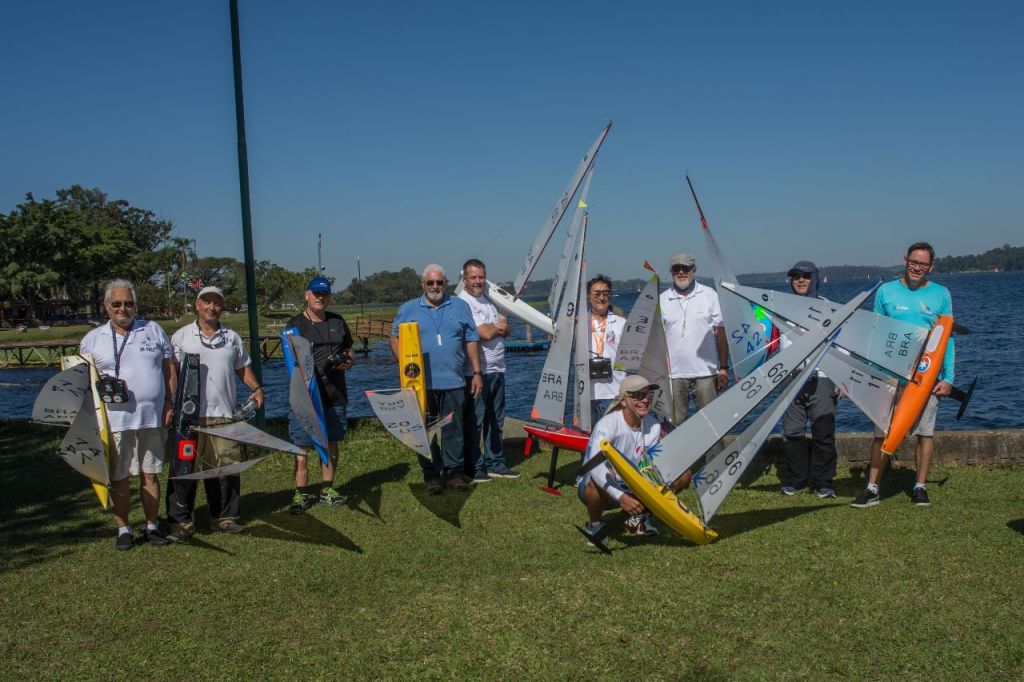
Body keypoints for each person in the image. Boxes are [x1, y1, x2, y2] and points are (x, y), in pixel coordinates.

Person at [852, 242, 954, 508]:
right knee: (881, 432)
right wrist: (871, 371)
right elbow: (876, 331)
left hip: (925, 377)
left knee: (925, 433)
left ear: (931, 266)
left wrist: (949, 377)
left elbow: (948, 337)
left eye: (923, 264)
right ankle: (872, 488)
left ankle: (920, 486)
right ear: (905, 260)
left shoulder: (942, 294)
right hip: (888, 375)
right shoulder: (886, 292)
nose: (917, 267)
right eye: (913, 261)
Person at [79, 279, 175, 551]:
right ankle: (123, 529)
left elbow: (169, 368)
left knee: (150, 473)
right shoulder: (92, 339)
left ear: (135, 306)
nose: (123, 308)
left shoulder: (153, 329)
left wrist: (169, 402)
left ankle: (152, 526)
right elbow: (81, 380)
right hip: (114, 421)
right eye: (117, 304)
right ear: (106, 307)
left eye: (129, 303)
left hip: (152, 417)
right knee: (120, 477)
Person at [166, 286, 264, 539]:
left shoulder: (232, 337)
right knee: (184, 468)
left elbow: (242, 368)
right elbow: (172, 372)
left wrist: (256, 388)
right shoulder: (181, 336)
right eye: (207, 302)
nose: (212, 307)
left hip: (223, 413)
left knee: (224, 467)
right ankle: (181, 522)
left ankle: (224, 518)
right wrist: (171, 403)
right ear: (197, 305)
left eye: (217, 303)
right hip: (188, 415)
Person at [391, 264, 482, 495]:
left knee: (454, 430)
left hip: (454, 381)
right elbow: (394, 337)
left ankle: (454, 474)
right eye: (430, 282)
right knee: (425, 431)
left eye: (439, 282)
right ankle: (431, 475)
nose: (435, 286)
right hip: (420, 385)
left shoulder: (460, 306)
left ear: (445, 283)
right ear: (422, 284)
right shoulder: (408, 309)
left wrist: (477, 373)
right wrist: (404, 366)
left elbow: (471, 339)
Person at [286, 276, 355, 514]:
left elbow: (349, 349)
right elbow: (290, 359)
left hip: (335, 394)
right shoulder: (295, 325)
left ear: (329, 297)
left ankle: (327, 490)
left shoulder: (337, 321)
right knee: (301, 446)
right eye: (316, 293)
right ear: (307, 295)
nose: (320, 297)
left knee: (331, 442)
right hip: (305, 396)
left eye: (324, 294)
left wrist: (348, 361)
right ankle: (301, 494)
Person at [578, 375, 664, 542]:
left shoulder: (654, 425)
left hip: (633, 481)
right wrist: (621, 497)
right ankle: (595, 524)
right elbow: (595, 468)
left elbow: (652, 462)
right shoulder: (607, 424)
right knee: (602, 474)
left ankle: (639, 518)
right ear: (624, 401)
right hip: (599, 485)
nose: (646, 400)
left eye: (648, 395)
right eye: (638, 396)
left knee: (683, 476)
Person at [778, 261, 838, 498]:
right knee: (792, 432)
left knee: (823, 432)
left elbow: (843, 343)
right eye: (796, 277)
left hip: (822, 377)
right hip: (791, 379)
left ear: (815, 279)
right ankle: (797, 480)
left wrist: (842, 378)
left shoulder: (829, 308)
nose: (801, 280)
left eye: (806, 276)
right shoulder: (781, 308)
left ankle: (823, 482)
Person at [458, 259, 519, 482]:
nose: (478, 281)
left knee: (496, 419)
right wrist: (497, 328)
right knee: (476, 420)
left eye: (481, 277)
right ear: (464, 279)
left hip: (497, 367)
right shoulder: (463, 302)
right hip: (476, 371)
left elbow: (506, 330)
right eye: (473, 277)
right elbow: (482, 333)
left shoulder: (489, 299)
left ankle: (496, 463)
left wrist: (498, 328)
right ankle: (474, 466)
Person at [659, 253, 730, 425]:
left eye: (686, 268)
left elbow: (721, 332)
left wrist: (723, 368)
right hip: (673, 375)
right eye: (676, 269)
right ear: (671, 271)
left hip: (706, 372)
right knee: (673, 423)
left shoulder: (710, 295)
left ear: (694, 270)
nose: (681, 272)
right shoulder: (662, 299)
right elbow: (656, 339)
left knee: (709, 423)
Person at [586, 274, 627, 426]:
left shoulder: (622, 324)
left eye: (605, 293)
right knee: (589, 435)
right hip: (587, 393)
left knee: (614, 434)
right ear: (588, 296)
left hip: (615, 391)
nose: (601, 298)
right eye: (596, 294)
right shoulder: (578, 324)